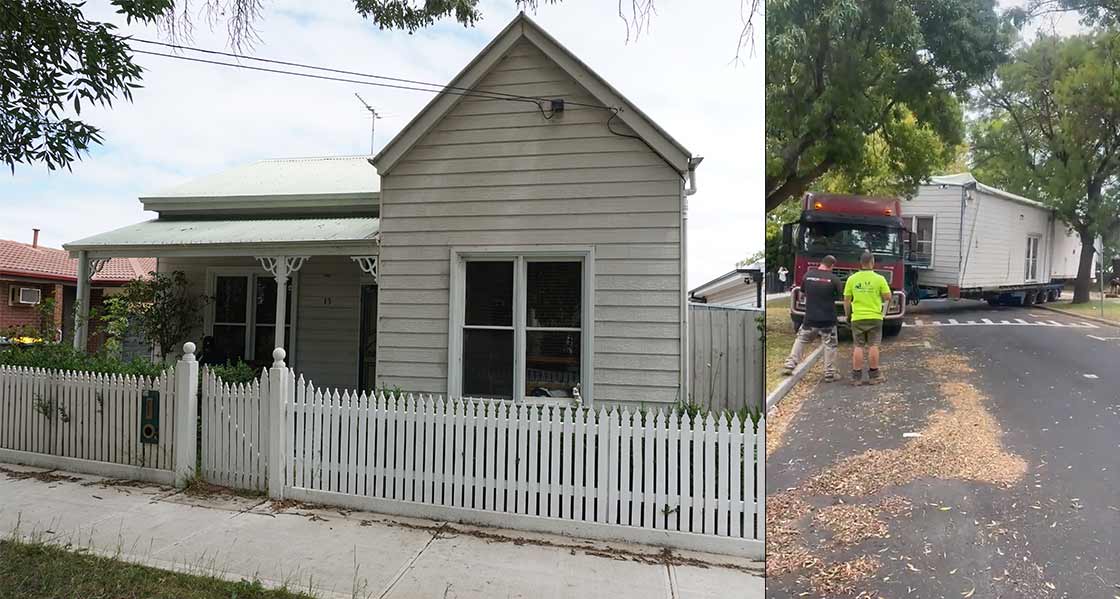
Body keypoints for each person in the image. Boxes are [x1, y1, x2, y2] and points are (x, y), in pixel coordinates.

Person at [782, 255, 843, 382]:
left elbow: (803, 292)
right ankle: (829, 373)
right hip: (828, 319)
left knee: (801, 340)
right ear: (832, 266)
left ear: (821, 263)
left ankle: (790, 365)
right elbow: (839, 297)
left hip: (810, 318)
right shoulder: (834, 279)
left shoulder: (807, 276)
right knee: (830, 345)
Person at [843, 251, 892, 385]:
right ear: (872, 262)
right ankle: (874, 376)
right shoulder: (879, 278)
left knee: (858, 346)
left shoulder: (852, 279)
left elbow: (846, 300)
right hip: (875, 317)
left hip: (857, 317)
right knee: (873, 346)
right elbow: (888, 297)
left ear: (861, 263)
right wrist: (883, 310)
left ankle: (856, 377)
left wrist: (848, 315)